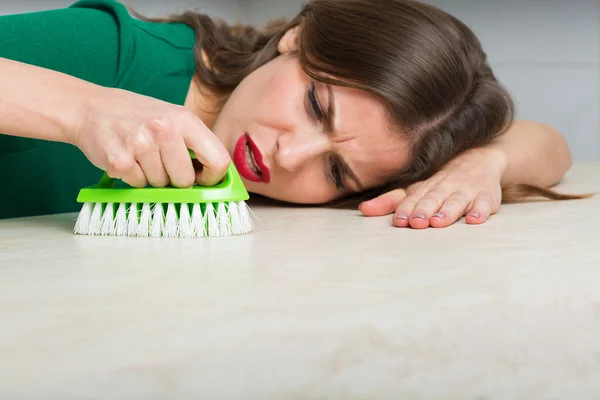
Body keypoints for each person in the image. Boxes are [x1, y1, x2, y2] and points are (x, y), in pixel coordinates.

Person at [0, 0, 583, 229]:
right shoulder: (114, 55)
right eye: (315, 105)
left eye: (337, 175)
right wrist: (83, 109)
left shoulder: (389, 145)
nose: (290, 154)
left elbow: (550, 143)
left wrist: (485, 162)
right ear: (296, 38)